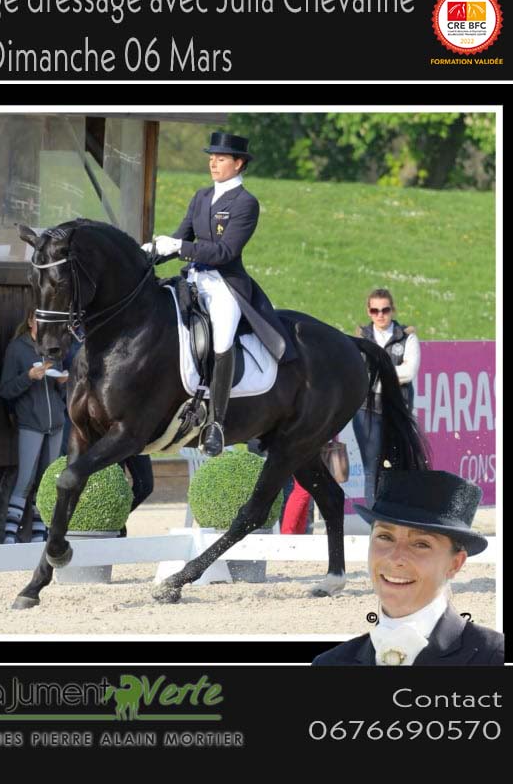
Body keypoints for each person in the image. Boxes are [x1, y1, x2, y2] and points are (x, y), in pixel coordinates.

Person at [143, 131, 297, 457]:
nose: (213, 162)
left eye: (221, 158)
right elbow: (179, 236)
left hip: (225, 284)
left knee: (223, 339)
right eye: (211, 157)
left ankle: (216, 423)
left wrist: (181, 247)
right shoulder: (200, 197)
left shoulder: (245, 203)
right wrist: (148, 252)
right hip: (194, 278)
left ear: (238, 163)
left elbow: (226, 251)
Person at [312, 470, 503, 666]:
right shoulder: (329, 663)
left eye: (421, 544)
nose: (396, 558)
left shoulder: (494, 659)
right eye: (385, 537)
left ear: (455, 563)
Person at [59, 334, 154, 536]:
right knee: (113, 480)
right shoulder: (79, 346)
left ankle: (115, 518)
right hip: (109, 429)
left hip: (136, 425)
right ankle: (111, 526)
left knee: (145, 485)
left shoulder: (131, 344)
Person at [0, 308, 68, 544]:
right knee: (25, 480)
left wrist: (61, 383)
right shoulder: (17, 349)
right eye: (40, 321)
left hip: (56, 424)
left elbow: (62, 392)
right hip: (31, 423)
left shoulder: (54, 349)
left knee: (48, 482)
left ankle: (40, 536)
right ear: (30, 321)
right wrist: (28, 377)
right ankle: (10, 536)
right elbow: (5, 390)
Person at [353, 288, 421, 508]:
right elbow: (359, 374)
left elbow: (410, 372)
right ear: (368, 311)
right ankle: (377, 524)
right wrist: (393, 372)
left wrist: (378, 372)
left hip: (397, 410)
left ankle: (399, 518)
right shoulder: (362, 338)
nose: (380, 315)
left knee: (398, 467)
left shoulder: (407, 337)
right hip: (366, 410)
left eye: (385, 309)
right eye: (374, 310)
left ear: (392, 310)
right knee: (372, 470)